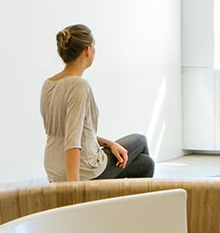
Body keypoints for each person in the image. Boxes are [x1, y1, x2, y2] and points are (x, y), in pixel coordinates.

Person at [41, 24, 154, 182]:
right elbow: (72, 140)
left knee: (145, 163)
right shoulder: (79, 85)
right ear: (88, 50)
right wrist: (73, 189)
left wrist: (109, 144)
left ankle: (109, 196)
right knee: (140, 140)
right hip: (82, 169)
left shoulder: (48, 85)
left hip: (53, 167)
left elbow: (70, 131)